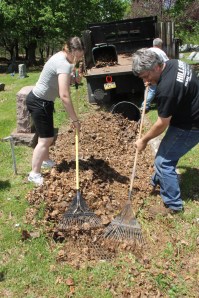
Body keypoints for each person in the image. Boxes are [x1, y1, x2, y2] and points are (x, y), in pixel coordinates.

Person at [132, 48, 199, 216]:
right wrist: (151, 80)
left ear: (156, 67)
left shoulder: (166, 89)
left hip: (191, 125)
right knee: (166, 154)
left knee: (163, 162)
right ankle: (156, 180)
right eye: (142, 78)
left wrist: (144, 140)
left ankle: (174, 205)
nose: (146, 81)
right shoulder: (175, 63)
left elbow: (162, 123)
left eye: (146, 76)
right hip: (188, 114)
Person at [26, 37, 84, 186]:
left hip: (42, 101)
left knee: (46, 135)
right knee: (45, 139)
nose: (80, 57)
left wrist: (75, 77)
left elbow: (66, 79)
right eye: (79, 55)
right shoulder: (63, 63)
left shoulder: (63, 58)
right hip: (39, 102)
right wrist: (75, 120)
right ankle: (34, 173)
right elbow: (64, 96)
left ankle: (45, 161)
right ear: (72, 51)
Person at [140, 38, 169, 113]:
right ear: (160, 45)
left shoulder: (147, 51)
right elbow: (167, 63)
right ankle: (145, 105)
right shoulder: (161, 52)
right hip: (154, 73)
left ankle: (145, 105)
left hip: (145, 72)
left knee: (148, 89)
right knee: (152, 89)